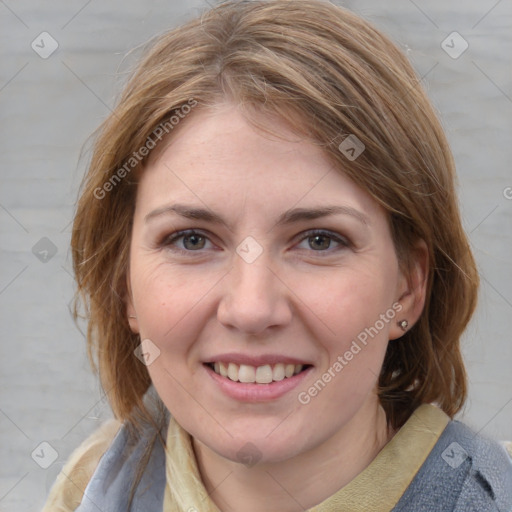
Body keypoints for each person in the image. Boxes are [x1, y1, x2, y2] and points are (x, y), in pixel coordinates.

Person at [43, 1, 512, 510]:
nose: (251, 309)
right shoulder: (92, 486)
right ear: (124, 284)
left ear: (408, 286)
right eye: (192, 240)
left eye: (319, 240)